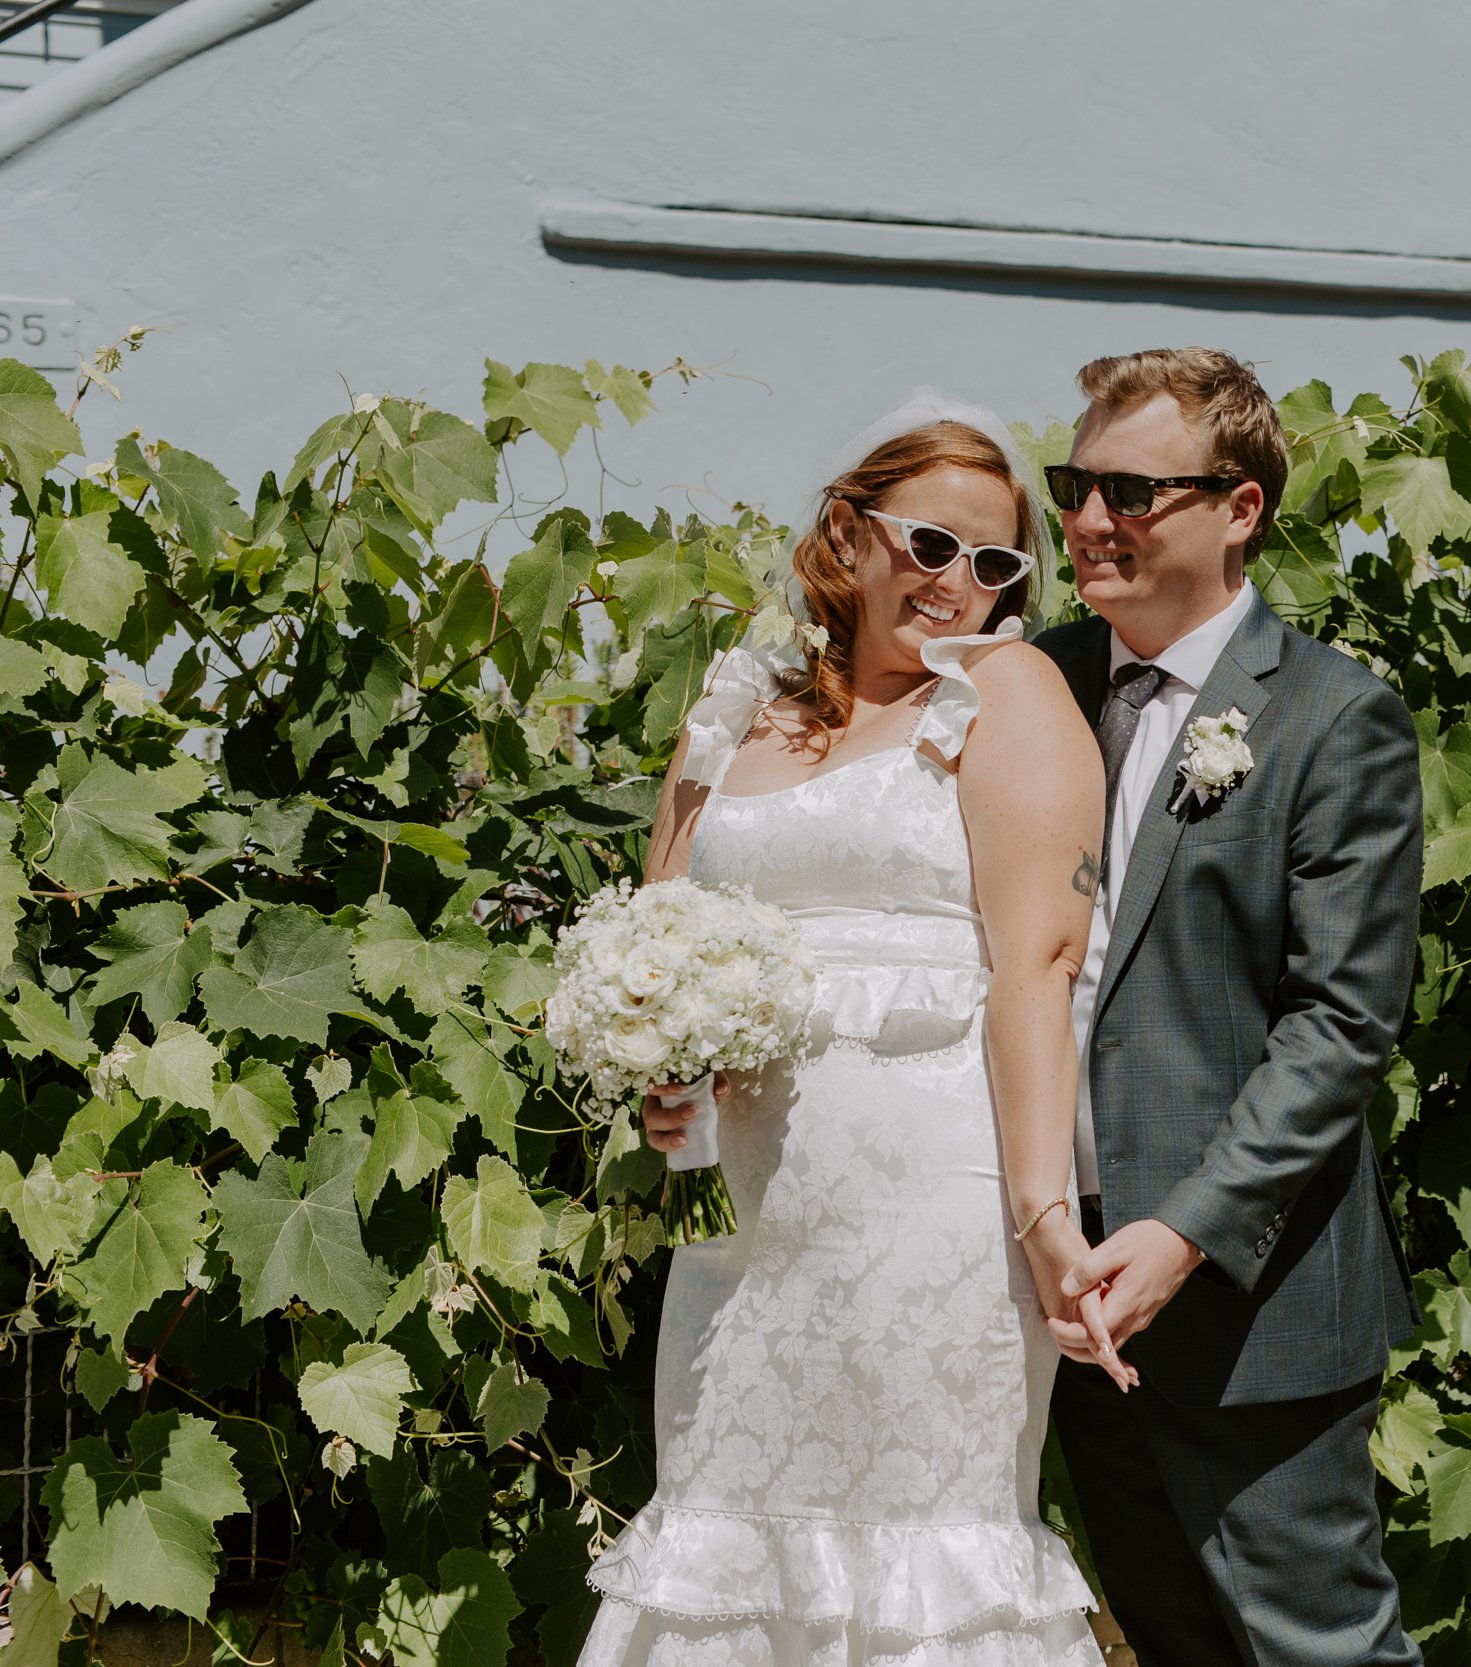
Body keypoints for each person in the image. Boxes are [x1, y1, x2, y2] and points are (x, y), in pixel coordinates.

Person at [582, 394, 1117, 1667]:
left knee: (921, 1542)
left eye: (996, 566)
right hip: (754, 1206)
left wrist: (1046, 1217)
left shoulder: (1005, 690)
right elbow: (661, 930)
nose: (959, 585)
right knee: (732, 1518)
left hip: (932, 1194)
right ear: (847, 529)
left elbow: (1041, 962)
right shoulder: (735, 704)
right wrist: (666, 1084)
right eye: (931, 544)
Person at [1034, 348, 1426, 1665]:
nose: (1091, 520)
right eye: (1076, 485)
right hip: (1065, 1286)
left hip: (1248, 1306)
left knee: (1321, 1651)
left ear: (1240, 506)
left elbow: (1341, 1026)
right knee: (1173, 1639)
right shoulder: (1037, 686)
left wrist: (1182, 1234)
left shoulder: (1332, 716)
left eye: (1131, 492)